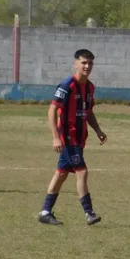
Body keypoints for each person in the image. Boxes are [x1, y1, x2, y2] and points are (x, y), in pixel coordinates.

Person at [38, 48, 108, 226]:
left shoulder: (90, 87)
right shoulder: (67, 85)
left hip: (79, 138)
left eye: (90, 63)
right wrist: (56, 137)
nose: (87, 66)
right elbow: (52, 110)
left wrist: (98, 130)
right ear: (75, 64)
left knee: (61, 174)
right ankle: (89, 213)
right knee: (82, 172)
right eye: (83, 62)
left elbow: (88, 112)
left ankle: (45, 212)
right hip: (68, 138)